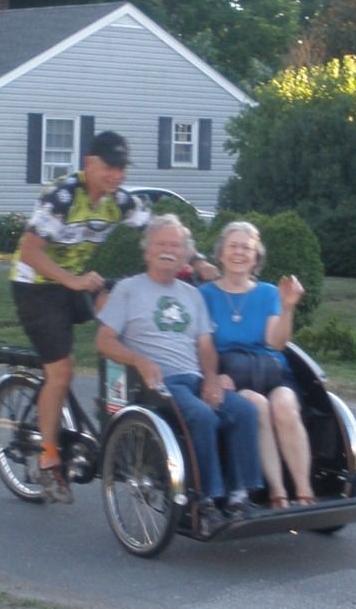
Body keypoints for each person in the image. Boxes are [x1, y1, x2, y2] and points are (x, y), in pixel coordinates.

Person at [96, 214, 263, 533]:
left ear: (185, 254)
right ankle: (207, 500)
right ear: (147, 250)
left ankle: (240, 494)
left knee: (244, 410)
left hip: (194, 377)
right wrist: (138, 360)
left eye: (175, 245)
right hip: (156, 383)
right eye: (161, 244)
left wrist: (211, 379)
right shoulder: (128, 290)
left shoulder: (192, 295)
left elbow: (206, 345)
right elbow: (104, 341)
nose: (168, 250)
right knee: (202, 416)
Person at [11, 131, 149, 503]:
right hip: (35, 286)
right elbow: (29, 252)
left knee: (119, 329)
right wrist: (73, 281)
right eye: (109, 167)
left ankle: (112, 411)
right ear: (89, 163)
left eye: (121, 168)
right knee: (62, 370)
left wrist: (194, 262)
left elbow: (158, 232)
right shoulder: (63, 197)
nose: (117, 175)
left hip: (74, 281)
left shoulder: (118, 201)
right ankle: (48, 459)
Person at [198, 221, 316, 510]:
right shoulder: (205, 295)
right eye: (233, 247)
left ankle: (304, 491)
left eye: (247, 248)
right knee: (258, 406)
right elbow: (203, 344)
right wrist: (212, 376)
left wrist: (287, 307)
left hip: (271, 371)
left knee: (284, 405)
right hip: (230, 376)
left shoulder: (267, 293)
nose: (239, 253)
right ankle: (277, 492)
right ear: (221, 253)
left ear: (256, 257)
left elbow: (276, 343)